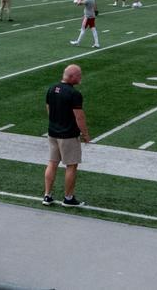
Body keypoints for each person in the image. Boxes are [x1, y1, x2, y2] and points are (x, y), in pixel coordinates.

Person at [43, 64, 89, 207]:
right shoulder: (74, 94)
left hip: (53, 133)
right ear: (71, 76)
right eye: (78, 75)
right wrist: (86, 134)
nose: (80, 77)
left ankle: (47, 196)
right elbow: (79, 117)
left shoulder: (51, 89)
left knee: (52, 163)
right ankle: (68, 198)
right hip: (68, 135)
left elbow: (48, 109)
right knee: (71, 166)